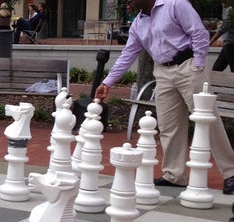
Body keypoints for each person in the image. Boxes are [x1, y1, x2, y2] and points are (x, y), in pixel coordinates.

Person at [95, 0, 234, 194]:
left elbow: (199, 32)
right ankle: (174, 175)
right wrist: (107, 82)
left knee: (207, 119)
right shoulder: (138, 23)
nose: (127, 2)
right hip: (163, 71)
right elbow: (128, 55)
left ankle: (231, 173)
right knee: (169, 126)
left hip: (188, 66)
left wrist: (198, 64)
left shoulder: (175, 4)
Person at [212, 0, 234, 72]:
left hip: (231, 43)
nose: (223, 4)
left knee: (217, 69)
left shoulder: (230, 9)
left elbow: (224, 28)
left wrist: (211, 41)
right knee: (217, 69)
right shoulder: (226, 9)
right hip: (227, 43)